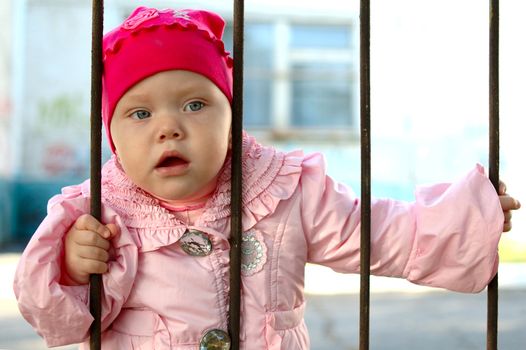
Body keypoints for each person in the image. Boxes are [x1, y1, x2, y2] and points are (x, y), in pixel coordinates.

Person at [13, 6, 521, 350]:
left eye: (195, 104)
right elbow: (60, 319)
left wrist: (466, 217)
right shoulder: (97, 214)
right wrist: (74, 270)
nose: (169, 127)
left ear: (230, 118)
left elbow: (379, 232)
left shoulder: (283, 189)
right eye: (139, 114)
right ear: (112, 136)